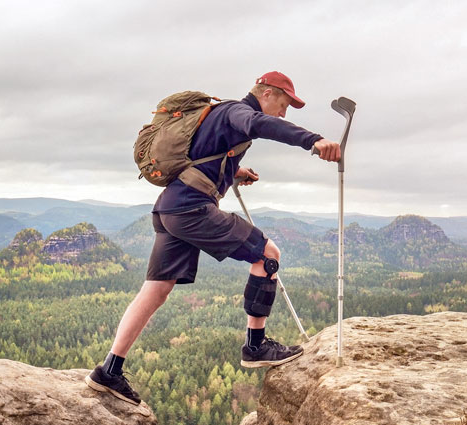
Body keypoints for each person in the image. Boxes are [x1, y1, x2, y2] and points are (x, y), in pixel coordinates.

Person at [85, 71, 341, 405]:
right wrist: (313, 140)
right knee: (267, 254)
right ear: (267, 93)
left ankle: (109, 370)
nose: (284, 112)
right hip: (192, 208)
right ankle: (255, 345)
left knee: (156, 289)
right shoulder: (237, 112)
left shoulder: (219, 118)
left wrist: (234, 171)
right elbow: (261, 125)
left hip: (170, 209)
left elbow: (203, 154)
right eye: (284, 102)